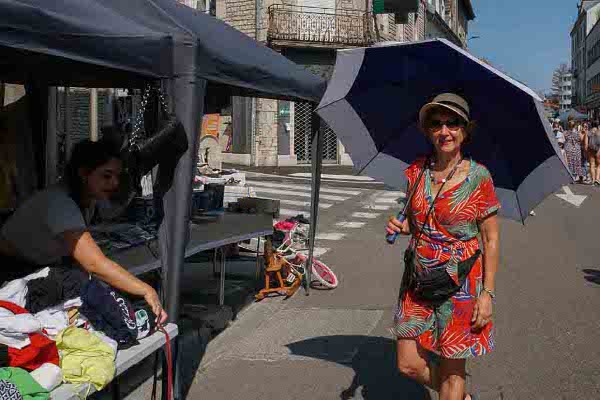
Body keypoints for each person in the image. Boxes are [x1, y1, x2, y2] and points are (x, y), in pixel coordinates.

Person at [385, 93, 500, 400]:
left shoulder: (479, 177)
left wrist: (486, 295)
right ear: (427, 130)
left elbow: (490, 238)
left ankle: (454, 391)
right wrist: (403, 226)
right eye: (437, 124)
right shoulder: (416, 171)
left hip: (460, 282)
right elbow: (417, 222)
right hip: (418, 279)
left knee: (452, 370)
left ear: (465, 130)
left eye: (453, 123)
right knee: (408, 364)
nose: (444, 131)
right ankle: (458, 395)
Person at [0, 139, 167, 324]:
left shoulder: (87, 200)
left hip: (37, 268)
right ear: (83, 173)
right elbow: (94, 264)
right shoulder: (61, 204)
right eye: (106, 175)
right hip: (11, 275)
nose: (114, 183)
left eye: (117, 176)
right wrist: (146, 289)